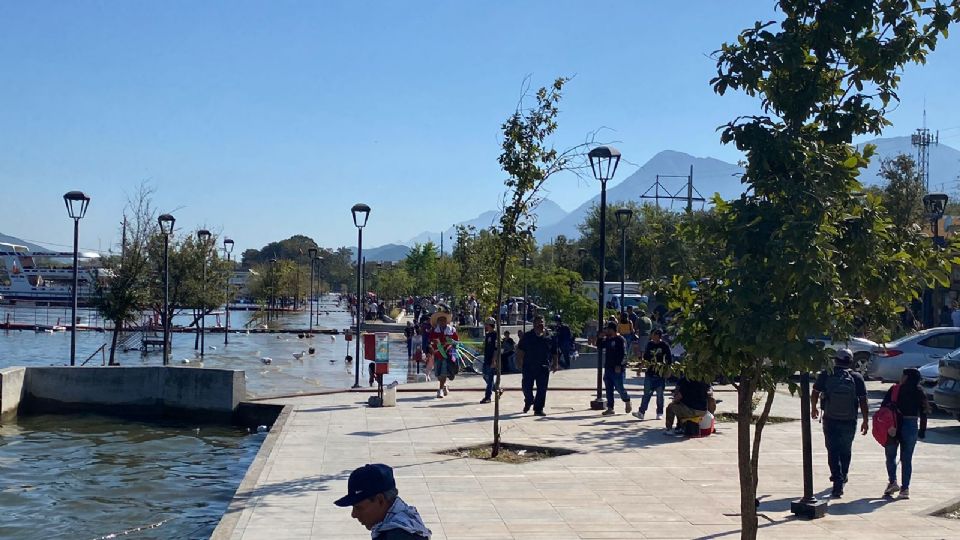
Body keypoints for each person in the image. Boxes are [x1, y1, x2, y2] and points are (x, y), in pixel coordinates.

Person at [811, 348, 869, 498]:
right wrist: (865, 420)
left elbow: (815, 392)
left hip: (830, 419)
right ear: (850, 361)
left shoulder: (826, 374)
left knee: (832, 450)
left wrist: (813, 408)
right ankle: (843, 475)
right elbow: (863, 400)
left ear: (835, 360)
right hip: (849, 420)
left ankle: (837, 480)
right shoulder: (856, 377)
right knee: (845, 449)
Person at [335, 463, 432, 540]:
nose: (354, 514)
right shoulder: (407, 519)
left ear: (380, 500)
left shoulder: (396, 535)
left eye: (359, 507)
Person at [882, 367, 930, 499]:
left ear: (906, 377)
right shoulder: (919, 391)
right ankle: (905, 489)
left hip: (894, 424)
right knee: (907, 458)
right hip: (911, 425)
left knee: (890, 455)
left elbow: (883, 407)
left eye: (903, 375)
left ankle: (892, 481)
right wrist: (922, 430)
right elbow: (924, 412)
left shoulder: (895, 389)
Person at [516, 315, 559, 416]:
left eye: (542, 322)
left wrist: (555, 364)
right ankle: (529, 400)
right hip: (528, 366)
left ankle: (538, 409)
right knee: (526, 387)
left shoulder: (550, 336)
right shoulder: (527, 336)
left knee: (542, 389)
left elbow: (554, 351)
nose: (541, 324)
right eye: (539, 322)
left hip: (543, 367)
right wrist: (519, 362)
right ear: (534, 324)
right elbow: (520, 350)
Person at [634, 328, 671, 421]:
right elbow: (645, 358)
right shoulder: (650, 344)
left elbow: (669, 360)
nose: (652, 336)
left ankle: (659, 413)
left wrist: (667, 371)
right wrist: (640, 369)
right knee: (646, 394)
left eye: (654, 334)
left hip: (660, 374)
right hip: (650, 373)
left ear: (658, 336)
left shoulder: (664, 345)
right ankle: (641, 412)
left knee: (660, 395)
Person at [600, 322, 632, 416]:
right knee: (608, 388)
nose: (606, 331)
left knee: (619, 387)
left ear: (612, 330)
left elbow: (624, 354)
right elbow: (600, 346)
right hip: (608, 367)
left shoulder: (620, 339)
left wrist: (619, 365)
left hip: (617, 368)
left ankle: (627, 400)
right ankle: (610, 408)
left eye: (608, 329)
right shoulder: (607, 339)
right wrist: (600, 337)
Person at [429, 312, 459, 399]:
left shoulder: (451, 330)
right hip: (437, 354)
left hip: (447, 355)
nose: (442, 322)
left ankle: (440, 390)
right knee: (438, 374)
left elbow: (457, 342)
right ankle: (444, 385)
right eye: (440, 320)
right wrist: (431, 348)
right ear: (438, 322)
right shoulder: (434, 331)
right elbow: (430, 342)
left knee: (444, 372)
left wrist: (451, 342)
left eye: (444, 320)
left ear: (446, 321)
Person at [481, 318, 498, 404]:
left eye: (487, 324)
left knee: (490, 378)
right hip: (486, 358)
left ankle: (488, 397)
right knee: (485, 376)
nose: (485, 326)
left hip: (492, 359)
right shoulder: (488, 335)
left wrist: (494, 360)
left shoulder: (495, 335)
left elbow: (496, 349)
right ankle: (497, 389)